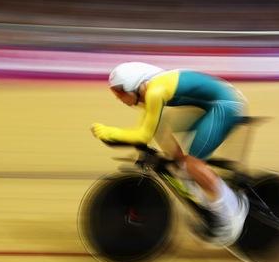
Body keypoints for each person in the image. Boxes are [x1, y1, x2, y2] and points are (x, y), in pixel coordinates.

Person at [91, 62, 249, 247]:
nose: (119, 98)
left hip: (226, 104)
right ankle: (193, 182)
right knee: (164, 132)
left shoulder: (155, 92)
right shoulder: (149, 95)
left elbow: (143, 135)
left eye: (120, 92)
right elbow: (146, 129)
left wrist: (110, 132)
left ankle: (233, 212)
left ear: (133, 84)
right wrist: (177, 161)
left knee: (194, 165)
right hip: (211, 105)